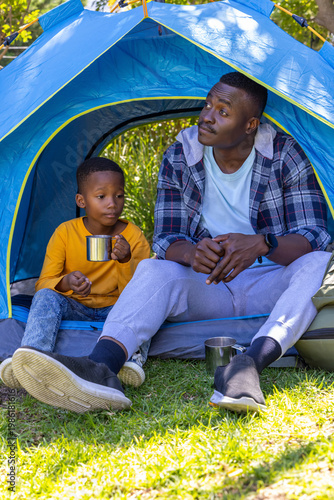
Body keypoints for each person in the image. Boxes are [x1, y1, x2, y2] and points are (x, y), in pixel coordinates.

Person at [9, 72, 331, 414]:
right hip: (211, 286)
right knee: (153, 268)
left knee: (318, 263)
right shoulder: (182, 154)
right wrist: (193, 253)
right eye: (208, 105)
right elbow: (166, 238)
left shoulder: (284, 154)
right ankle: (102, 367)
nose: (207, 115)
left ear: (250, 125)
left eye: (223, 111)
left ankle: (247, 364)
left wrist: (261, 244)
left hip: (270, 282)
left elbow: (313, 236)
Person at [0, 157, 150, 397]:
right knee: (47, 296)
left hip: (116, 307)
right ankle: (34, 355)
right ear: (82, 201)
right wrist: (66, 283)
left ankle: (130, 359)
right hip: (75, 305)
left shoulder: (133, 236)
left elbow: (141, 292)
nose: (112, 204)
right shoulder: (65, 233)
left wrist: (124, 261)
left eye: (119, 196)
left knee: (145, 308)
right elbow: (44, 283)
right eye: (101, 197)